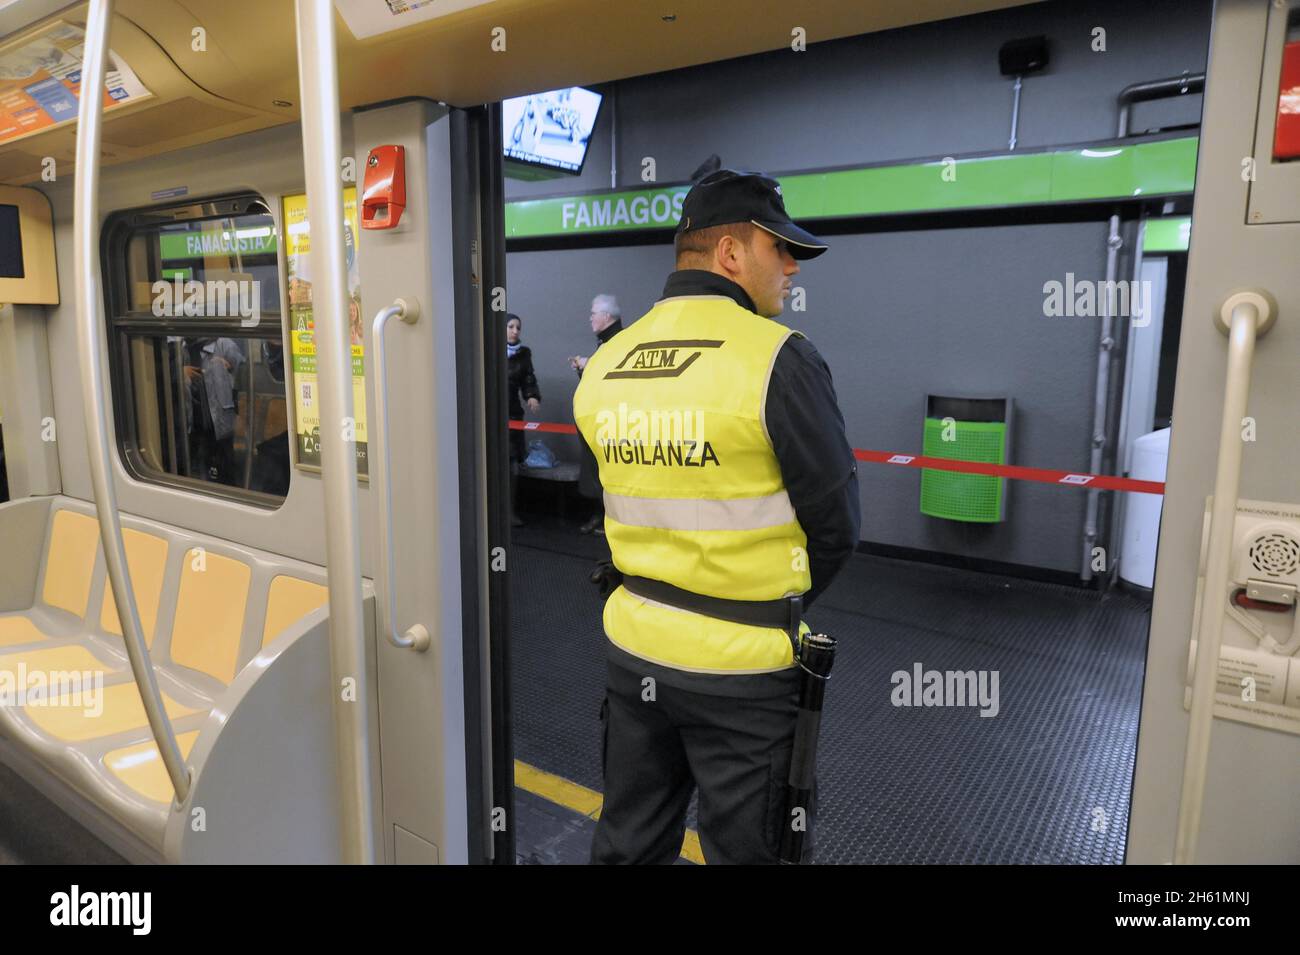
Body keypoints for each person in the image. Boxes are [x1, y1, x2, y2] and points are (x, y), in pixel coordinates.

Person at [573, 168, 861, 864]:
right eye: (779, 248)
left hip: (634, 651)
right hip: (745, 677)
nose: (791, 265)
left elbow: (605, 495)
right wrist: (759, 603)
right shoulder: (779, 359)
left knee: (629, 843)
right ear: (730, 254)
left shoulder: (607, 363)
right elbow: (836, 526)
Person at [569, 294, 623, 534]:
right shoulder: (608, 342)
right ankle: (601, 517)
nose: (590, 318)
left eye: (593, 313)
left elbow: (610, 379)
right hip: (603, 419)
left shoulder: (616, 343)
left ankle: (607, 519)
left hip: (609, 420)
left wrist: (588, 366)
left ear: (606, 316)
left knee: (602, 471)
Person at [506, 313, 541, 527]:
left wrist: (532, 397)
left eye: (518, 327)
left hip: (511, 417)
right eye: (510, 326)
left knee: (512, 466)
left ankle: (509, 511)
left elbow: (529, 379)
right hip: (488, 413)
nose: (515, 331)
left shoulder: (523, 355)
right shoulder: (487, 350)